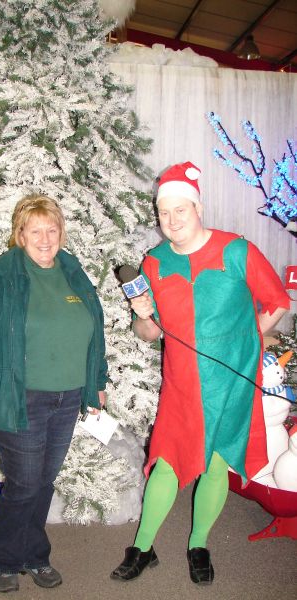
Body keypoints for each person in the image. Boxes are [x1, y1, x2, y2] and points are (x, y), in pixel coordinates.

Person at [111, 162, 290, 585]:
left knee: (215, 463)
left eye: (180, 211)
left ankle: (199, 543)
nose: (171, 221)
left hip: (229, 382)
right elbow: (148, 334)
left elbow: (277, 301)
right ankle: (143, 546)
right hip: (181, 381)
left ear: (198, 207)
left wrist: (247, 341)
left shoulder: (237, 250)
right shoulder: (153, 262)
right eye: (163, 213)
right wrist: (142, 315)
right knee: (168, 463)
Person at [0, 194, 107, 594]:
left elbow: (93, 327)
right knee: (24, 483)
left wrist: (97, 380)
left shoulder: (71, 269)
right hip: (19, 397)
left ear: (61, 232)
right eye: (35, 230)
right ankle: (5, 557)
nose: (45, 239)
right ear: (20, 234)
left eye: (52, 230)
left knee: (44, 480)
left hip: (67, 396)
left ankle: (34, 554)